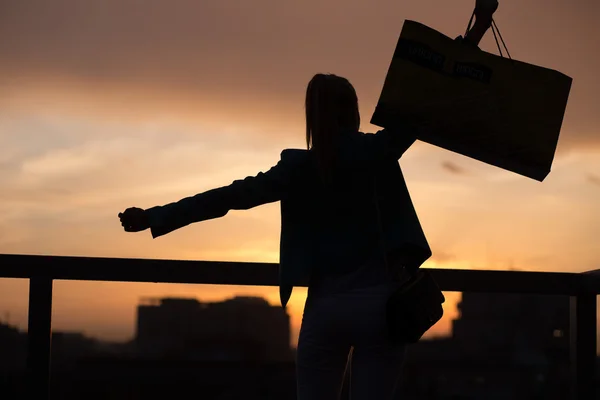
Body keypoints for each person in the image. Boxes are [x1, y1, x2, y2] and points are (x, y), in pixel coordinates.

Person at [118, 73, 432, 399]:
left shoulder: (298, 168)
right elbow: (425, 101)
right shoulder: (376, 150)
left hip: (324, 311)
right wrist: (466, 43)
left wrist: (155, 216)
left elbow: (228, 197)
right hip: (382, 308)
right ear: (352, 110)